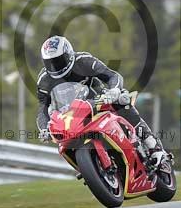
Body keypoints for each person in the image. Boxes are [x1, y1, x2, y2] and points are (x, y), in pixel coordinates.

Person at [35, 35, 167, 163]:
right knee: (61, 140)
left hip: (99, 100)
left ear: (68, 54)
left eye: (58, 60)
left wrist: (114, 90)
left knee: (122, 100)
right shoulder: (44, 80)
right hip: (72, 115)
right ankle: (91, 165)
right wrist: (44, 128)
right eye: (50, 62)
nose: (55, 66)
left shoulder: (83, 60)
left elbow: (112, 75)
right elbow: (43, 108)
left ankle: (152, 144)